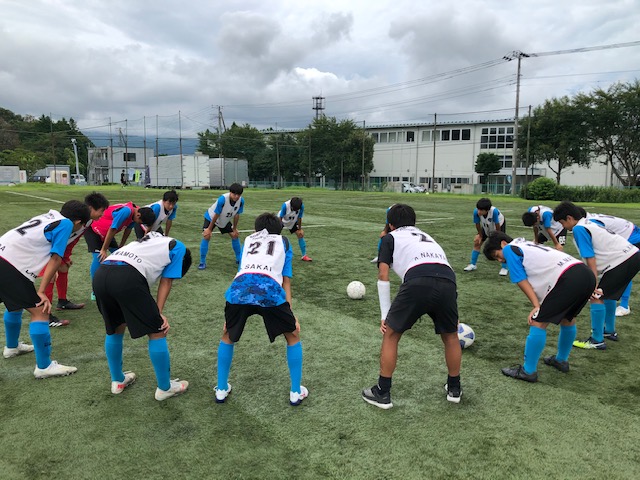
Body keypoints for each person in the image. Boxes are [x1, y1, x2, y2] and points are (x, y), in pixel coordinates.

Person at [362, 204, 462, 409]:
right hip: (448, 282)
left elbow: (383, 275)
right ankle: (454, 388)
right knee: (451, 336)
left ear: (390, 224)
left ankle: (382, 392)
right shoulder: (428, 237)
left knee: (391, 335)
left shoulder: (389, 238)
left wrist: (385, 315)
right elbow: (445, 269)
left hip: (418, 281)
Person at [214, 212, 307, 406]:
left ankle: (221, 389)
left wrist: (229, 317)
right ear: (279, 230)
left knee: (228, 334)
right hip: (269, 289)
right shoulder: (284, 243)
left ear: (257, 229)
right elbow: (286, 281)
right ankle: (295, 392)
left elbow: (243, 270)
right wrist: (291, 314)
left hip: (240, 288)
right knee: (292, 335)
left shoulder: (248, 240)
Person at [93, 231, 192, 401]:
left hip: (101, 274)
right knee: (157, 330)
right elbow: (166, 281)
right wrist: (158, 314)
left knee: (115, 328)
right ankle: (165, 388)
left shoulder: (151, 239)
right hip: (126, 276)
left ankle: (118, 380)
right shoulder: (179, 248)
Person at [483, 232, 595, 382]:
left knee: (538, 322)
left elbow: (521, 280)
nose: (499, 260)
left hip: (569, 276)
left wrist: (536, 306)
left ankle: (528, 371)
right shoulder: (525, 244)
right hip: (584, 273)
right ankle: (561, 360)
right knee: (568, 319)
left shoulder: (509, 249)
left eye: (497, 255)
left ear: (503, 243)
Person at [1, 200, 90, 378]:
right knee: (41, 311)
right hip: (11, 266)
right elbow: (56, 258)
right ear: (78, 222)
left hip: (4, 256)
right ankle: (44, 367)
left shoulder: (50, 216)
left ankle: (12, 347)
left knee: (16, 304)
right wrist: (41, 291)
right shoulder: (66, 224)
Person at [553, 201, 640, 349]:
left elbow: (590, 257)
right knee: (607, 295)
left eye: (562, 223)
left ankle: (596, 340)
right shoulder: (589, 222)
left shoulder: (579, 229)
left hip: (622, 261)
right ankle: (609, 331)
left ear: (569, 218)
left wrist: (592, 282)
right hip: (633, 255)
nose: (563, 227)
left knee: (596, 296)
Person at [40, 192, 109, 328]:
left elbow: (72, 240)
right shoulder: (71, 220)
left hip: (54, 247)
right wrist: (56, 259)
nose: (102, 215)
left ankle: (62, 302)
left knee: (63, 268)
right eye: (101, 211)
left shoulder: (87, 221)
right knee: (51, 275)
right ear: (91, 208)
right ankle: (45, 316)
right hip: (44, 248)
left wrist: (65, 258)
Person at [576, 207, 640, 317]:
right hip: (630, 232)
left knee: (622, 268)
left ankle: (624, 305)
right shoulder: (589, 220)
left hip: (632, 237)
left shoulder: (587, 224)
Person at [84, 202, 156, 299]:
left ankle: (116, 284)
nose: (139, 224)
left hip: (107, 234)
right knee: (99, 258)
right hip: (94, 231)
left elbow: (128, 229)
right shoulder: (126, 211)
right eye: (140, 222)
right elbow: (113, 229)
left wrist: (121, 246)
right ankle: (95, 291)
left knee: (120, 257)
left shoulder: (136, 213)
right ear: (138, 215)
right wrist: (104, 249)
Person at [199, 183, 244, 269]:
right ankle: (202, 261)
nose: (236, 196)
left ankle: (239, 258)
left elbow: (237, 215)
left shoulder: (241, 201)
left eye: (238, 195)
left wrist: (234, 228)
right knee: (207, 236)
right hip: (211, 217)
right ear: (230, 192)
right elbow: (216, 214)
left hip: (224, 219)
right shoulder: (222, 199)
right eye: (234, 194)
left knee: (234, 235)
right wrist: (209, 229)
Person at [463, 198, 508, 275]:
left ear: (487, 210)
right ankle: (473, 264)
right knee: (477, 242)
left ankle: (504, 267)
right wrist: (480, 235)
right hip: (486, 225)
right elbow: (477, 224)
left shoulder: (494, 212)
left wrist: (497, 238)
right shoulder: (476, 212)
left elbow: (497, 226)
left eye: (481, 210)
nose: (479, 211)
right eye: (478, 209)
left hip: (499, 226)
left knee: (501, 246)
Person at [278, 197, 312, 262]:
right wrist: (278, 228)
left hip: (292, 221)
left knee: (300, 234)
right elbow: (280, 217)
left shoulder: (301, 206)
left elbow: (299, 218)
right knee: (275, 235)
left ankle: (304, 256)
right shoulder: (285, 205)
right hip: (282, 220)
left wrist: (300, 229)